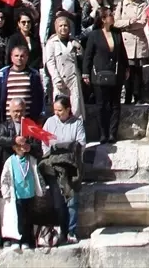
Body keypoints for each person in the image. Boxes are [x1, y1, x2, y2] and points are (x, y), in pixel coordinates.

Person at [42, 95, 87, 246]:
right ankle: (62, 230)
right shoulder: (49, 122)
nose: (57, 113)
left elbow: (81, 143)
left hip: (72, 167)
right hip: (55, 167)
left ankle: (72, 231)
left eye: (60, 110)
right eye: (55, 110)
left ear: (68, 109)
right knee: (58, 202)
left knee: (72, 201)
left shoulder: (77, 123)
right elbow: (45, 144)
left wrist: (62, 147)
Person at [83, 5, 129, 144]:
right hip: (99, 75)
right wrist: (86, 72)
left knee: (115, 104)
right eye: (110, 15)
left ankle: (112, 134)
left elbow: (122, 51)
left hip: (115, 73)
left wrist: (126, 67)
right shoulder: (94, 35)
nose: (113, 16)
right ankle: (103, 133)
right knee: (101, 105)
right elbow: (88, 56)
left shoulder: (116, 32)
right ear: (103, 19)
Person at [0, 128, 45, 252]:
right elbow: (5, 178)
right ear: (13, 148)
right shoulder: (10, 161)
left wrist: (41, 189)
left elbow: (37, 175)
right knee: (17, 219)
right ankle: (17, 240)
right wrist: (6, 193)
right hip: (17, 195)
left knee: (29, 218)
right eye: (18, 147)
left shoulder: (31, 159)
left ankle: (27, 240)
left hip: (29, 194)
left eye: (23, 146)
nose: (21, 148)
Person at [43, 16, 82, 119]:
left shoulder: (73, 41)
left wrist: (79, 47)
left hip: (73, 80)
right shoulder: (52, 43)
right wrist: (56, 78)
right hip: (60, 80)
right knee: (61, 109)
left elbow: (81, 58)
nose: (63, 28)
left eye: (65, 25)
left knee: (76, 109)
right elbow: (50, 62)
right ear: (56, 28)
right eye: (60, 26)